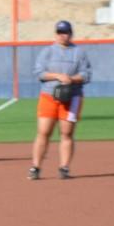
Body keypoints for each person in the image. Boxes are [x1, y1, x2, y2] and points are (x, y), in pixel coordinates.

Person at [29, 20, 91, 180]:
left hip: (72, 97)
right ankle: (35, 167)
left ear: (71, 34)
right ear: (55, 34)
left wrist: (72, 79)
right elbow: (38, 73)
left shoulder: (79, 52)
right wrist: (57, 75)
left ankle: (64, 168)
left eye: (65, 32)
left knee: (67, 133)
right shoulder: (47, 52)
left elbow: (86, 74)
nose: (62, 35)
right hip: (49, 96)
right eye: (59, 32)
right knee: (43, 132)